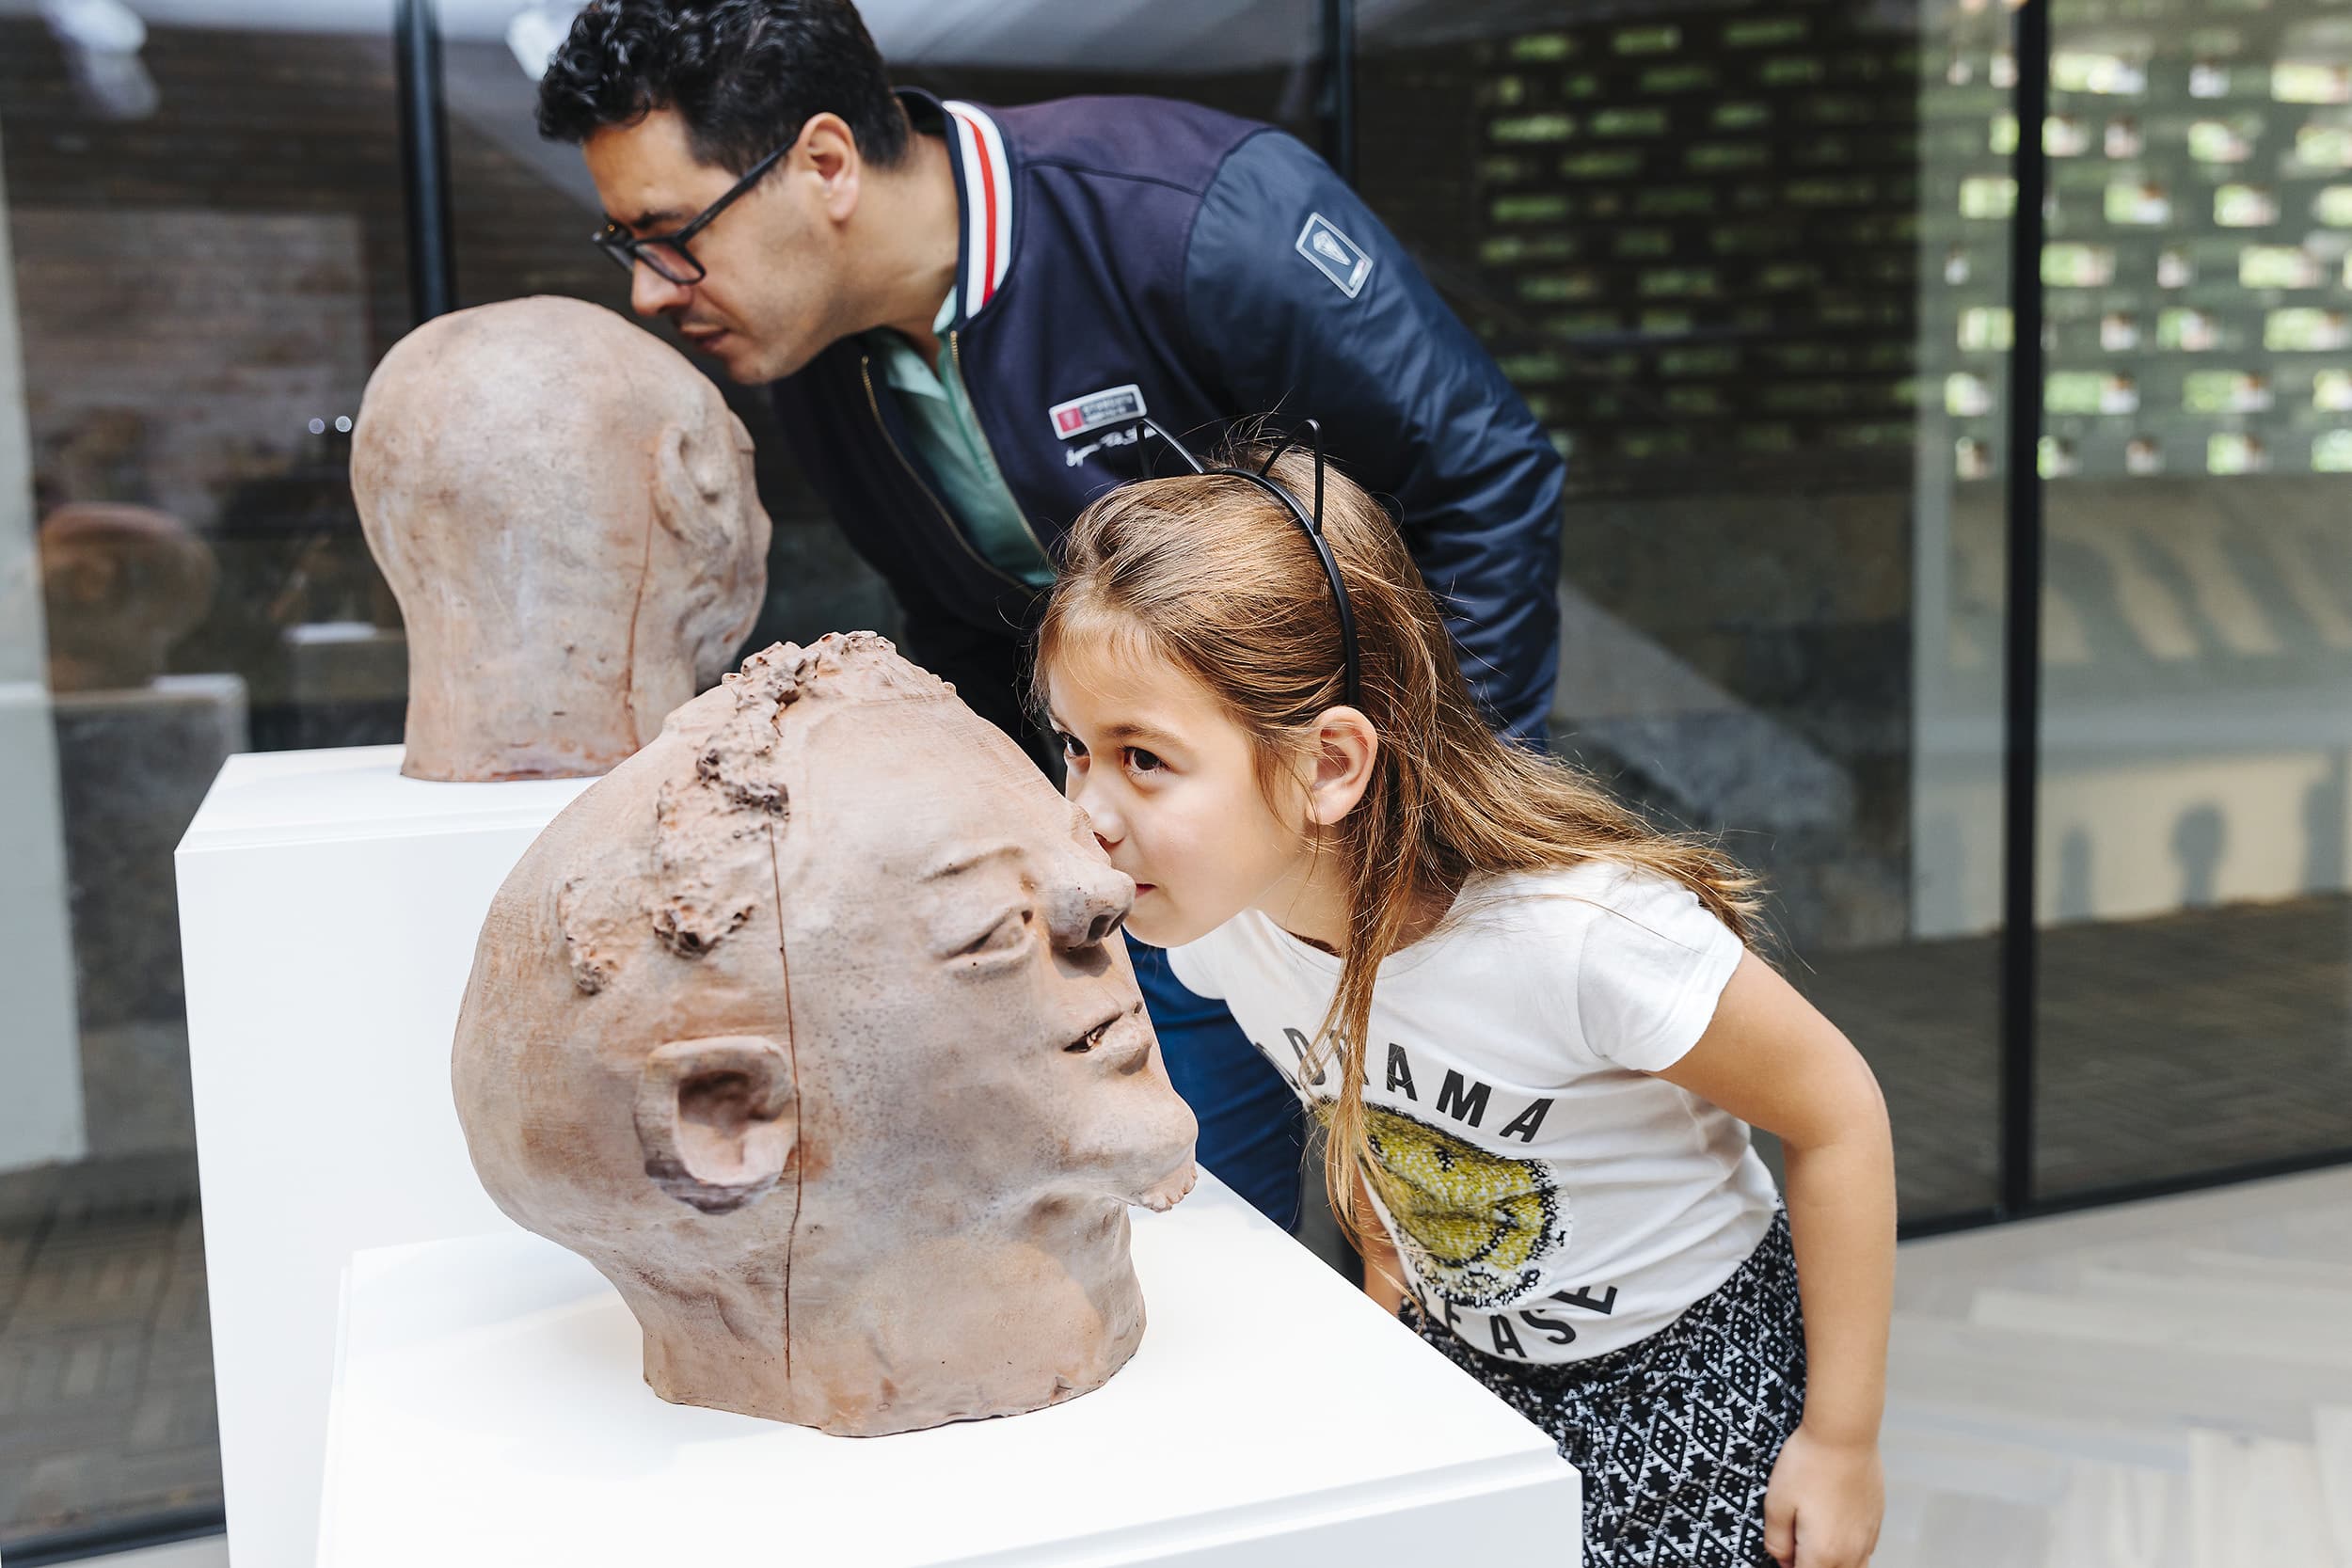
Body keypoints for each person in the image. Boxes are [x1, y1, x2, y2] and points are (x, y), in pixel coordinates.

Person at [533, 0, 1566, 1233]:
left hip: (1378, 854)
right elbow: (971, 628)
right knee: (1207, 1246)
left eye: (670, 233)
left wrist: (1441, 820)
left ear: (822, 164)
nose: (652, 290)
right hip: (1160, 882)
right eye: (626, 243)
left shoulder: (1197, 216)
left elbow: (1487, 471)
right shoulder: (811, 359)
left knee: (1485, 1251)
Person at [1034, 434, 1893, 1568]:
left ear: (1331, 764)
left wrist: (1840, 1441)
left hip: (1694, 1377)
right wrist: (1390, 1278)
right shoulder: (1216, 934)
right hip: (1472, 1365)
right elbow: (1355, 1087)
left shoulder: (1583, 940)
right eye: (1071, 746)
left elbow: (1837, 1112)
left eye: (1142, 757)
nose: (1085, 807)